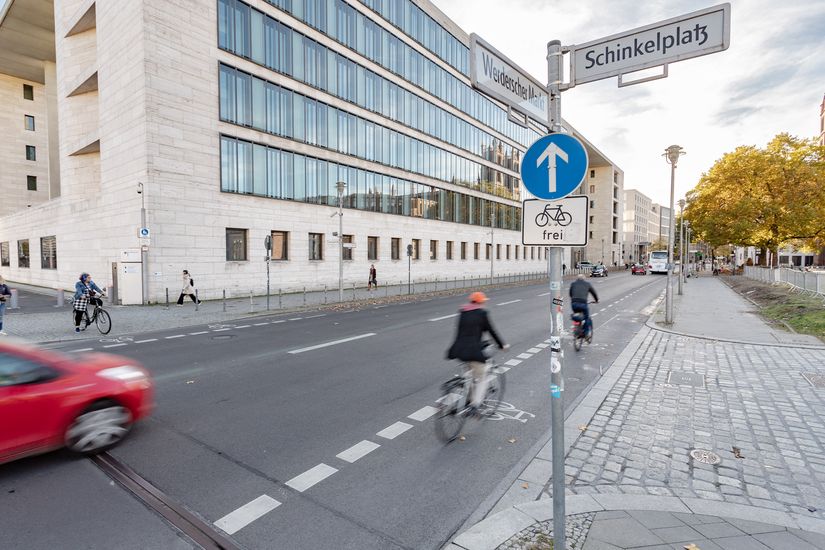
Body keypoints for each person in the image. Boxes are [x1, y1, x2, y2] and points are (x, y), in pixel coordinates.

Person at [447, 292, 508, 413]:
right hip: (473, 351)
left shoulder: (463, 312)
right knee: (481, 378)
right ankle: (475, 405)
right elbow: (491, 331)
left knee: (469, 375)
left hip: (458, 349)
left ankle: (465, 398)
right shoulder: (482, 313)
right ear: (481, 302)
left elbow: (466, 332)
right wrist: (502, 345)